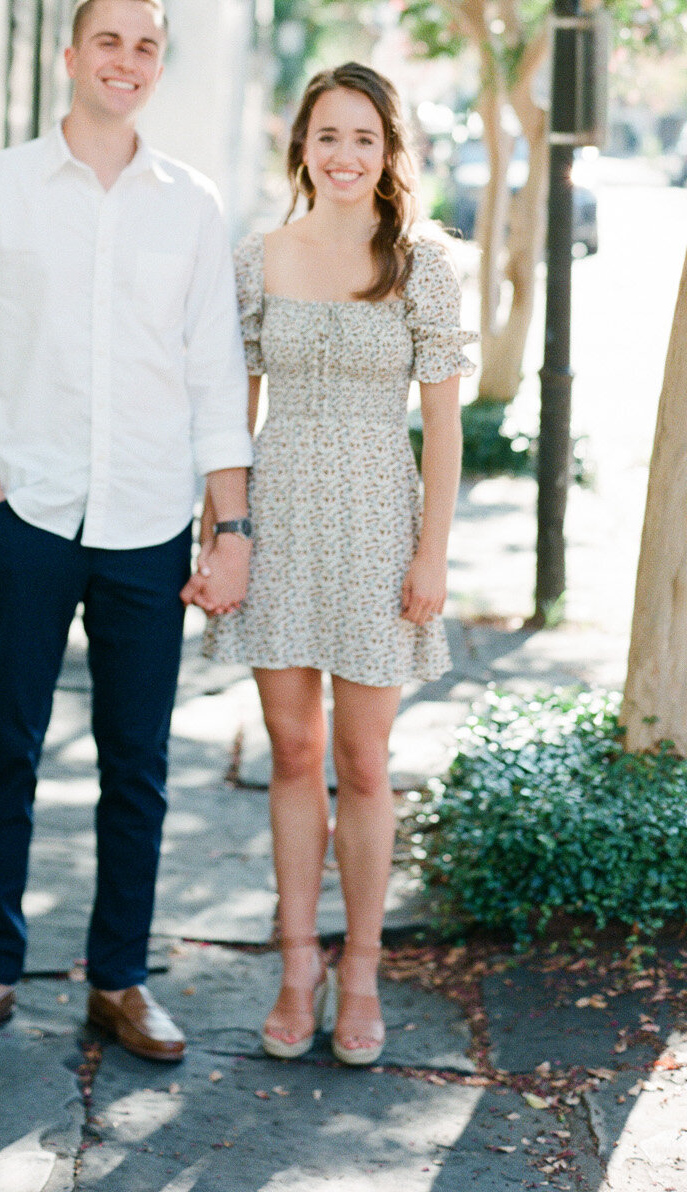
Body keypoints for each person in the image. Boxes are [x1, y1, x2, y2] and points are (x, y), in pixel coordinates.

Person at [0, 0, 253, 1062]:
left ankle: (119, 977)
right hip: (27, 506)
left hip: (151, 516)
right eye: (108, 39)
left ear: (160, 66)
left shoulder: (190, 201)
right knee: (6, 745)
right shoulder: (2, 188)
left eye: (147, 44)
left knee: (138, 761)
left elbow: (214, 370)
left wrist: (229, 524)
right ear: (71, 54)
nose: (127, 57)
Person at [201, 63, 472, 1066]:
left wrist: (431, 549)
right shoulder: (257, 256)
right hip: (279, 514)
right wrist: (221, 534)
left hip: (377, 522)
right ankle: (295, 964)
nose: (345, 154)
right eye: (328, 134)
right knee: (293, 752)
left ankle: (361, 967)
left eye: (364, 136)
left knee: (362, 761)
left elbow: (441, 423)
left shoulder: (423, 262)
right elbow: (230, 411)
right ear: (301, 145)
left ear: (390, 149)